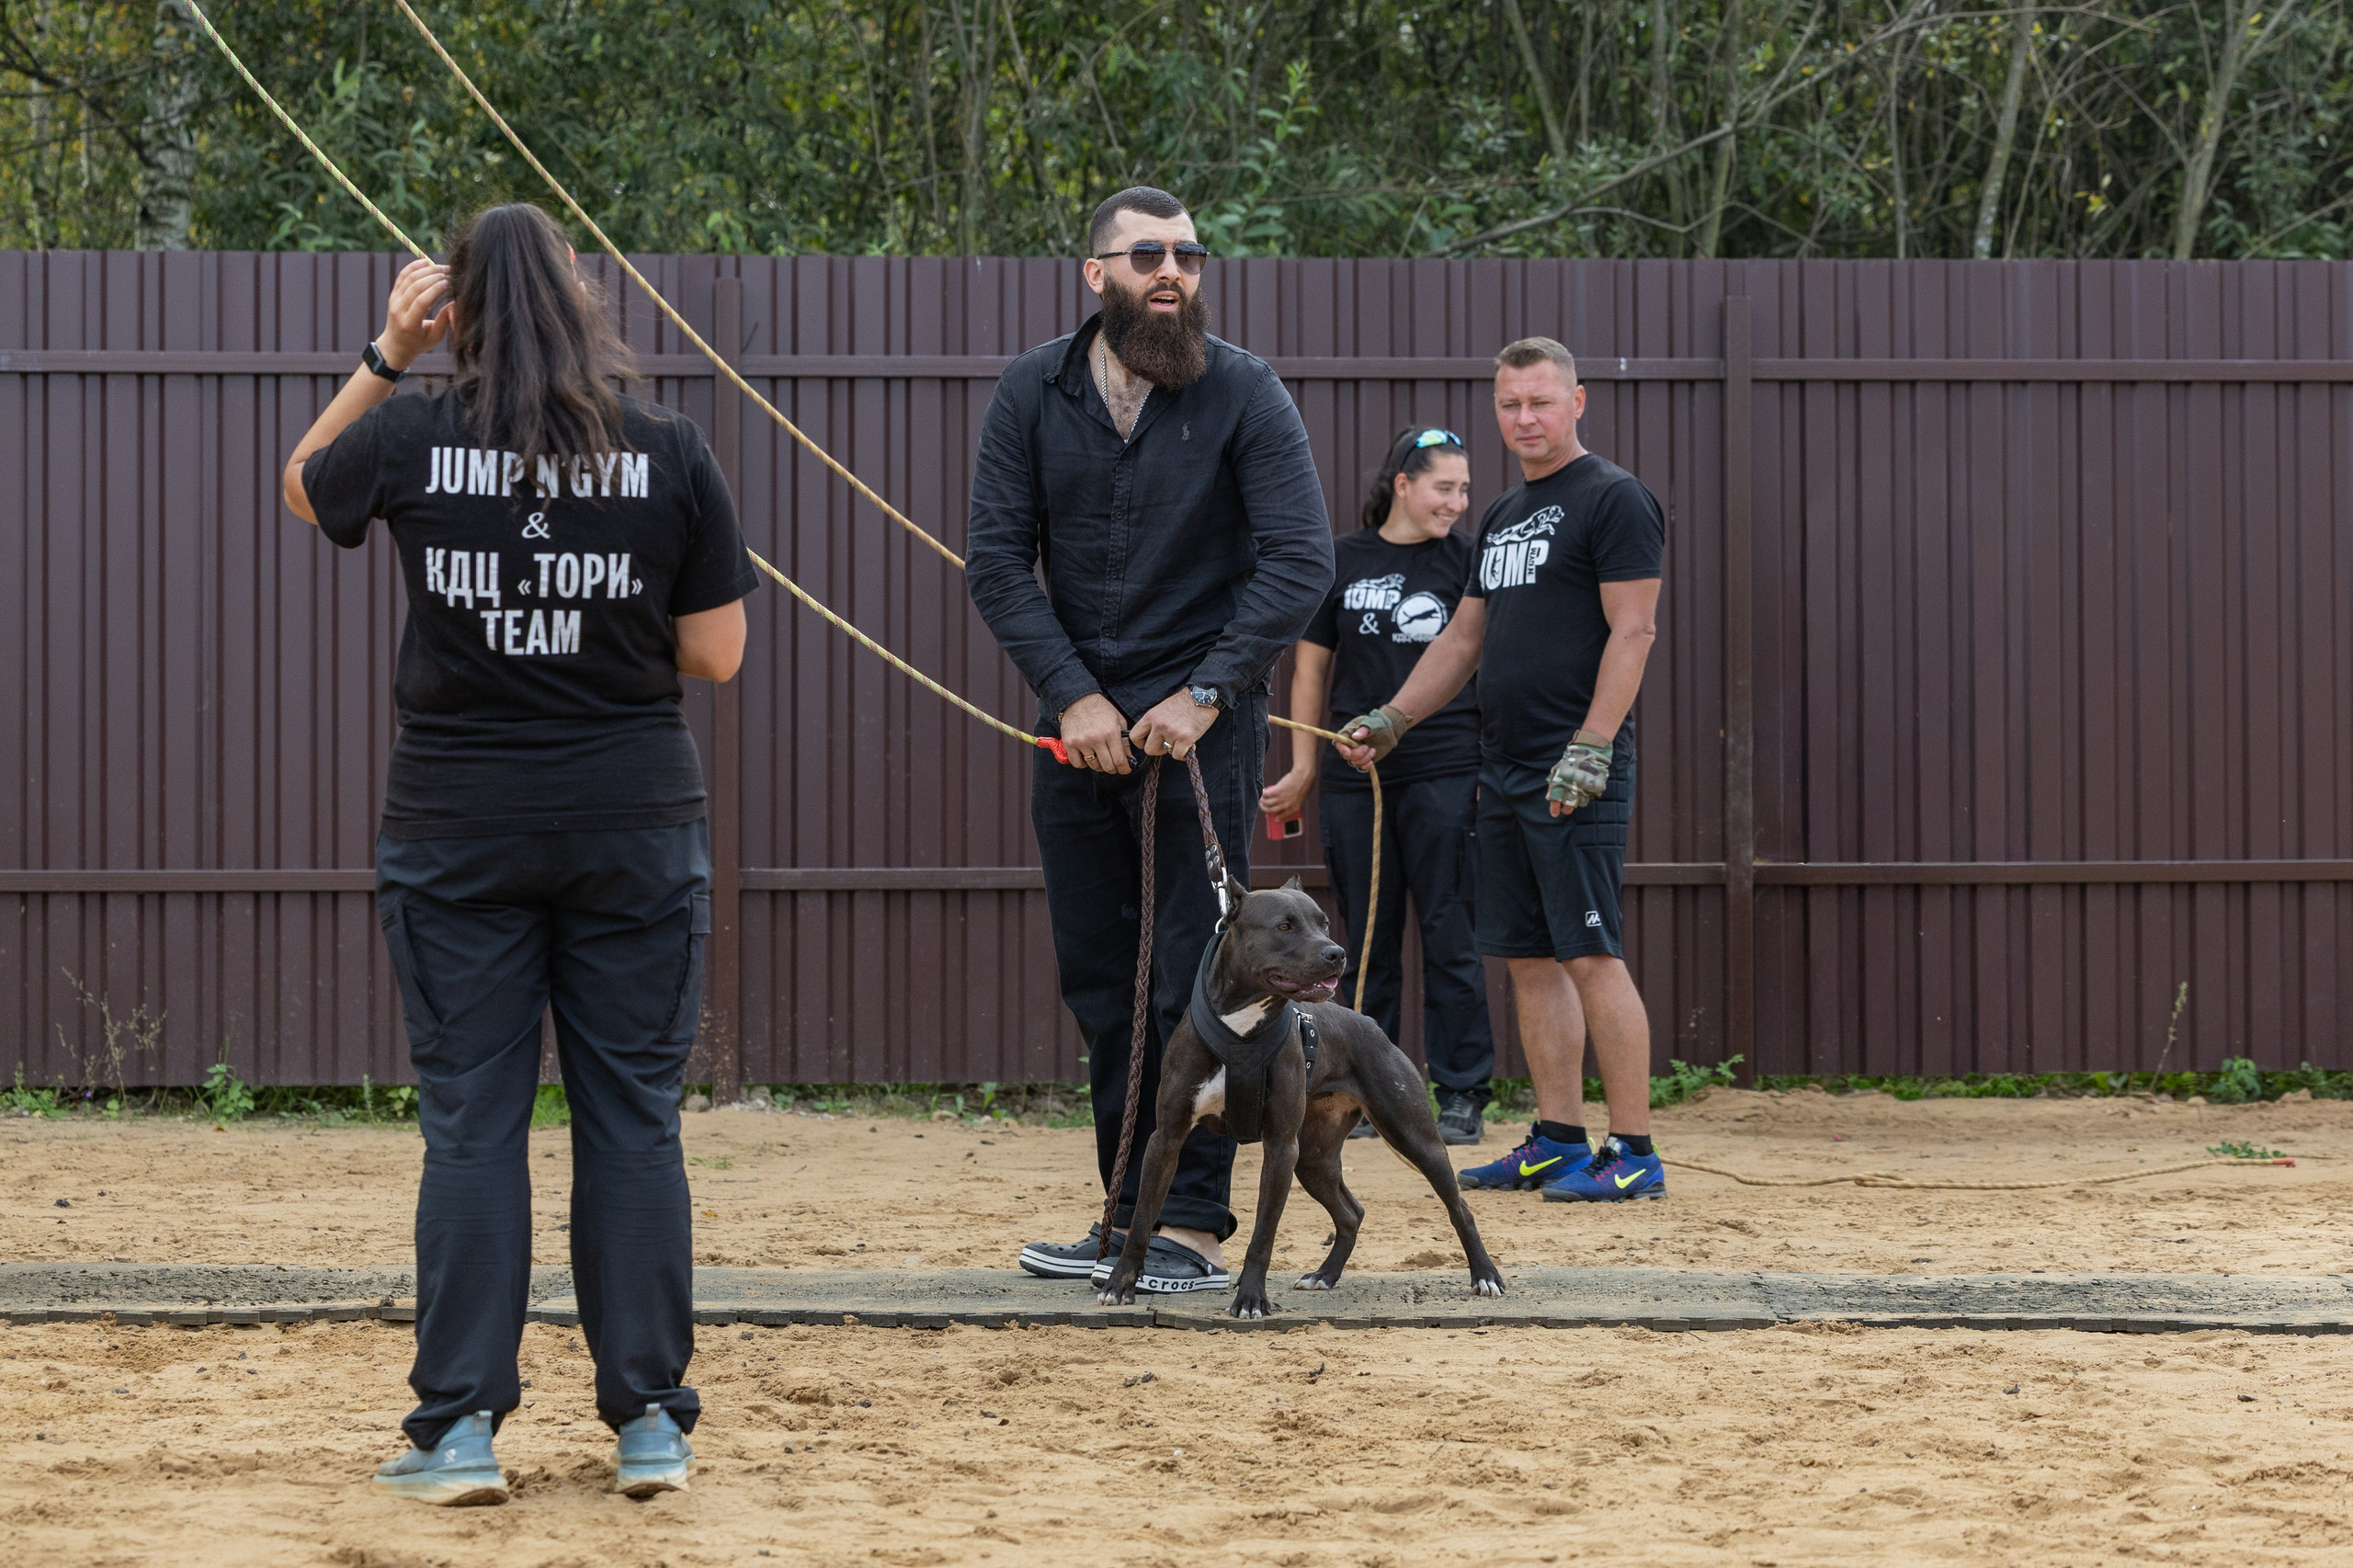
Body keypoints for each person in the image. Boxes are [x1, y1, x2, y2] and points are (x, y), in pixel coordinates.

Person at [283, 203, 760, 1503]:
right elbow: (715, 655)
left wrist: (385, 354)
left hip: (455, 829)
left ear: (459, 314)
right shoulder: (669, 447)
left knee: (474, 1125)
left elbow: (303, 483)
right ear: (584, 298)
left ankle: (456, 1432)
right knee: (632, 1122)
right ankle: (652, 1422)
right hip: (634, 824)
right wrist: (603, 643)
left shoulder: (412, 434)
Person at [967, 186, 1333, 1292]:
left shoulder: (1243, 391)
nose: (1169, 270)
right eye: (1144, 255)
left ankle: (1190, 1227)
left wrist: (1206, 690)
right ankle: (1127, 1213)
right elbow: (994, 561)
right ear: (1096, 275)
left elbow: (1300, 559)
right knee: (1099, 979)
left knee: (1197, 971)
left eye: (1185, 252)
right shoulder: (1032, 390)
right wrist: (1073, 695)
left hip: (1201, 734)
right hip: (1075, 735)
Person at [1337, 336, 1666, 1202]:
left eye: (1541, 402)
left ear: (1578, 401)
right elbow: (1463, 637)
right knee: (1527, 957)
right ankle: (1557, 1139)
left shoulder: (1615, 499)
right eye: (1511, 406)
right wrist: (1393, 718)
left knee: (1591, 953)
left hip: (1574, 768)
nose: (1526, 419)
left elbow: (1633, 632)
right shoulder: (1508, 519)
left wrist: (1594, 745)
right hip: (1505, 766)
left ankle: (1632, 1150)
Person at [1259, 426, 1496, 1145]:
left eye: (1463, 489)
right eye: (1443, 487)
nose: (1457, 502)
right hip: (1352, 779)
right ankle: (1360, 1086)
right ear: (1402, 482)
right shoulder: (1343, 558)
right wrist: (1303, 766)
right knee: (1362, 941)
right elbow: (1307, 672)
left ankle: (1460, 1095)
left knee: (1450, 934)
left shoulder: (1469, 562)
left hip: (1446, 770)